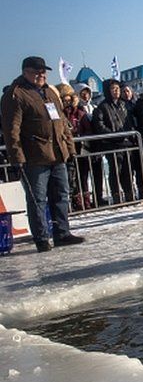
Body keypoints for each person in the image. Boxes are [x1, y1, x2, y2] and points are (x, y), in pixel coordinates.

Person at [0, 57, 85, 251]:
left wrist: (70, 148)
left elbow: (62, 122)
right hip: (34, 157)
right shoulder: (16, 95)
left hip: (57, 153)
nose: (41, 75)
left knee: (62, 195)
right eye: (36, 72)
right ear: (25, 72)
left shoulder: (50, 92)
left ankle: (62, 233)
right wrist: (16, 157)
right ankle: (41, 238)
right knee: (37, 199)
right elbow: (11, 130)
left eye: (43, 72)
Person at [91, 79, 137, 202]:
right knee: (116, 171)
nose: (116, 91)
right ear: (107, 91)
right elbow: (100, 126)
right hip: (112, 144)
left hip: (127, 142)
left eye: (117, 88)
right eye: (113, 89)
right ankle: (116, 194)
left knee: (128, 170)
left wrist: (130, 134)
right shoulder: (102, 107)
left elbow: (129, 121)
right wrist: (114, 135)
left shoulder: (123, 105)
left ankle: (129, 193)